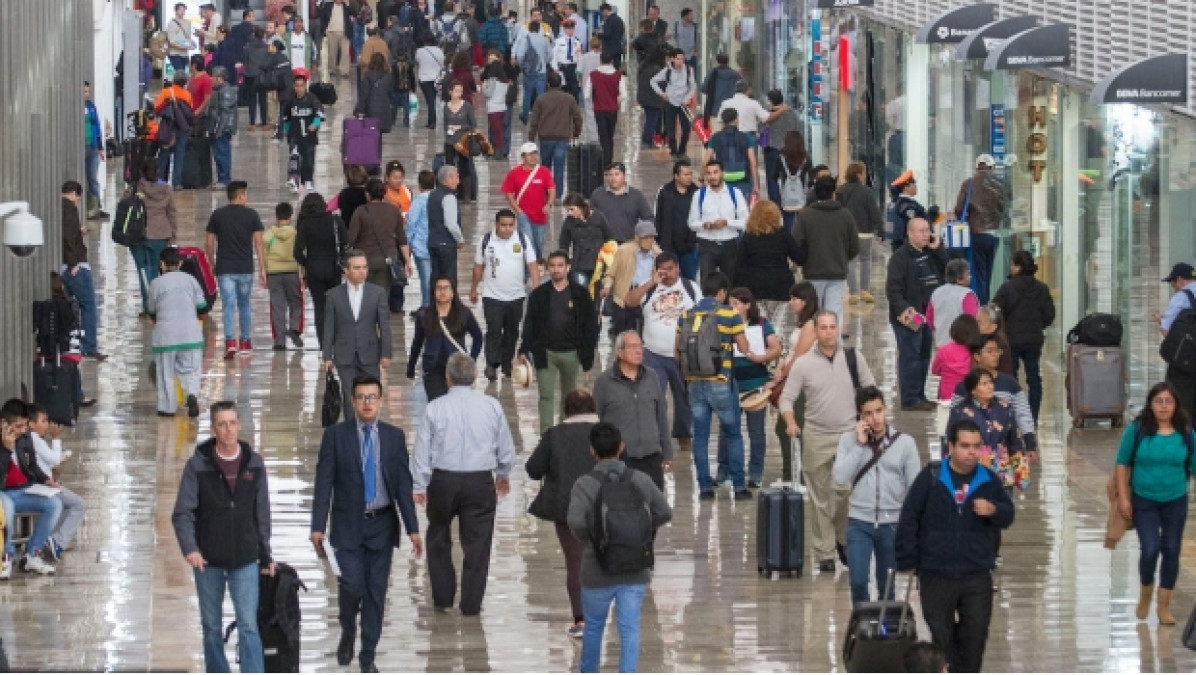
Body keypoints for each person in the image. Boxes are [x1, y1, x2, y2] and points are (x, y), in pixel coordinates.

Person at [310, 374, 422, 672]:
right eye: (361, 397)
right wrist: (317, 526)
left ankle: (368, 655)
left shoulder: (394, 437)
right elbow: (324, 483)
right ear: (353, 401)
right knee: (351, 585)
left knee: (375, 592)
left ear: (381, 400)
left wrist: (412, 529)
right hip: (347, 525)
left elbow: (403, 485)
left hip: (381, 525)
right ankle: (348, 629)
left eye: (372, 397)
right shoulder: (336, 436)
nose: (367, 403)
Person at [895, 419, 1014, 674]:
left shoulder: (988, 480)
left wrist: (993, 509)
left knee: (974, 639)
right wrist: (907, 560)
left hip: (976, 574)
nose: (971, 452)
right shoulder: (931, 478)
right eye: (965, 446)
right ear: (950, 446)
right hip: (936, 574)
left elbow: (1008, 514)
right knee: (942, 640)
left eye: (976, 446)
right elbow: (910, 517)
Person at [171, 401, 274, 674]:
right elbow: (182, 512)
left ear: (239, 425)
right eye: (222, 424)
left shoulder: (254, 463)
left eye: (232, 423)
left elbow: (262, 513)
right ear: (213, 429)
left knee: (249, 625)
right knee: (211, 627)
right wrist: (190, 548)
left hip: (245, 557)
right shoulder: (197, 465)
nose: (228, 430)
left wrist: (266, 554)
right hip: (208, 559)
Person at [413, 353, 516, 616]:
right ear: (474, 377)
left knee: (438, 536)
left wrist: (420, 485)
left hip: (443, 480)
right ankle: (471, 604)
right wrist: (503, 473)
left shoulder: (435, 408)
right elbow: (505, 446)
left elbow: (422, 450)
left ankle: (443, 597)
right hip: (479, 481)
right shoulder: (491, 406)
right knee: (478, 543)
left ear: (447, 377)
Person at [568, 421, 673, 673]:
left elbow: (576, 522)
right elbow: (664, 512)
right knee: (629, 628)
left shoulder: (584, 484)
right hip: (635, 568)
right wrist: (639, 531)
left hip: (597, 568)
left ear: (592, 450)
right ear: (622, 447)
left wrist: (594, 538)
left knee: (594, 627)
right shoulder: (641, 479)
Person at [779, 310, 877, 571]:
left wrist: (872, 421)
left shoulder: (854, 358)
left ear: (838, 328)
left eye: (832, 327)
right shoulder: (803, 364)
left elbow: (871, 391)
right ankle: (824, 553)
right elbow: (787, 397)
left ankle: (842, 538)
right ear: (815, 331)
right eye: (823, 327)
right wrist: (790, 421)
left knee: (846, 491)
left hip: (849, 435)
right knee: (819, 496)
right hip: (815, 436)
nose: (828, 332)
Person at [1113, 382, 1196, 626]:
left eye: (1169, 401)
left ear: (1176, 405)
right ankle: (1146, 591)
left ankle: (1164, 605)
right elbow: (1122, 463)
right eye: (1159, 401)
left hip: (1175, 500)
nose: (1164, 406)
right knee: (1150, 548)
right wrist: (1123, 497)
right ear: (1150, 404)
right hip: (1144, 499)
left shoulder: (1186, 433)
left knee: (1171, 549)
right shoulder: (1138, 430)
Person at [831, 387, 921, 604]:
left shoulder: (905, 443)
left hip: (892, 523)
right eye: (868, 414)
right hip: (859, 521)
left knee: (886, 584)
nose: (875, 418)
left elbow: (915, 486)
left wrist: (913, 526)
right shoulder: (848, 441)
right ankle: (862, 619)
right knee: (858, 581)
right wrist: (859, 445)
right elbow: (840, 477)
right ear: (860, 417)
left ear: (885, 409)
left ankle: (885, 622)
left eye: (879, 411)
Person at [683, 272, 755, 499]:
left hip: (695, 383)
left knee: (700, 437)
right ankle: (739, 487)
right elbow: (743, 348)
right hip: (721, 382)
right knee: (733, 435)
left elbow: (678, 351)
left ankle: (705, 488)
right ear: (722, 292)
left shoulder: (686, 314)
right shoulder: (729, 313)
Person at [624, 252, 699, 453]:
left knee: (684, 397)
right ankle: (657, 436)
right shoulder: (649, 287)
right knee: (654, 397)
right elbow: (629, 301)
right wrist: (652, 282)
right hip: (653, 354)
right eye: (662, 269)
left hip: (683, 354)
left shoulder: (691, 288)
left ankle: (683, 434)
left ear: (678, 268)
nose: (666, 273)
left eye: (670, 269)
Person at [520, 251, 599, 431]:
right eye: (553, 266)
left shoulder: (581, 294)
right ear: (548, 268)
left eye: (560, 265)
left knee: (569, 397)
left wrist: (587, 355)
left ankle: (565, 432)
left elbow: (590, 326)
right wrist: (523, 349)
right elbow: (529, 323)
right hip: (545, 353)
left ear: (568, 267)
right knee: (545, 396)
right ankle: (546, 435)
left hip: (572, 353)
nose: (556, 269)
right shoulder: (538, 295)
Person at [592, 331, 674, 490]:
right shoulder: (604, 382)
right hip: (620, 460)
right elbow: (596, 421)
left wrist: (667, 452)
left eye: (640, 346)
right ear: (620, 352)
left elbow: (661, 416)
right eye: (632, 347)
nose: (639, 351)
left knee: (654, 503)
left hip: (651, 458)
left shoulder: (652, 377)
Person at [321, 250, 393, 422]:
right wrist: (327, 355)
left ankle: (370, 428)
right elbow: (329, 326)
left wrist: (386, 353)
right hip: (344, 354)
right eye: (357, 268)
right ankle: (352, 431)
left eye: (364, 267)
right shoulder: (333, 295)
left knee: (371, 395)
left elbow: (384, 325)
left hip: (370, 353)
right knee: (349, 396)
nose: (362, 271)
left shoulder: (377, 293)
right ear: (346, 270)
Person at [721, 288, 782, 487]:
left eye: (737, 303)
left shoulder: (762, 324)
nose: (732, 307)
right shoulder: (724, 323)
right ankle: (724, 471)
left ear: (747, 305)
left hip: (755, 385)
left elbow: (776, 348)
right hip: (730, 384)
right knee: (727, 429)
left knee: (756, 431)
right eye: (730, 303)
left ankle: (756, 473)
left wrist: (761, 357)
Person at [471, 209, 541, 381]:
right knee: (494, 330)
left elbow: (532, 264)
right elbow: (478, 267)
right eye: (503, 225)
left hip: (516, 296)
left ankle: (506, 363)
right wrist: (474, 288)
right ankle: (491, 364)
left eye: (511, 225)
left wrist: (536, 286)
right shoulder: (486, 241)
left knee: (512, 332)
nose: (507, 229)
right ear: (496, 224)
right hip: (492, 296)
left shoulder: (522, 239)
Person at [886, 217, 948, 411]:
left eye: (927, 230)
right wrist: (903, 309)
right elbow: (893, 289)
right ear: (910, 233)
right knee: (910, 356)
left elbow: (949, 269)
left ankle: (920, 395)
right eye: (921, 231)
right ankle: (910, 398)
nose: (926, 235)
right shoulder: (900, 257)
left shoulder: (931, 253)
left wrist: (938, 249)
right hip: (909, 316)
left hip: (928, 315)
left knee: (923, 356)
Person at [949, 334, 1038, 461]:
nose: (995, 355)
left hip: (1000, 462)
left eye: (997, 351)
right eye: (990, 351)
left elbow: (1022, 415)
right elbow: (952, 426)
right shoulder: (963, 389)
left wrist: (1030, 444)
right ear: (977, 356)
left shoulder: (1010, 386)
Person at [0, 402, 63, 577]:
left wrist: (46, 480)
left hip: (22, 489)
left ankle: (32, 555)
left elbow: (32, 464)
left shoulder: (25, 437)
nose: (22, 430)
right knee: (6, 509)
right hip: (2, 492)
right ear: (3, 423)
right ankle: (6, 556)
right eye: (17, 426)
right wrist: (6, 450)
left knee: (54, 504)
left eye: (25, 425)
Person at [992, 250, 1056, 423]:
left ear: (1018, 267)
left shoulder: (1007, 288)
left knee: (1010, 378)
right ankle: (1032, 418)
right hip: (1034, 340)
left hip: (1011, 340)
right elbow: (1049, 315)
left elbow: (996, 312)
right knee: (1034, 378)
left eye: (1013, 264)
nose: (1011, 267)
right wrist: (1037, 326)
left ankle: (1012, 417)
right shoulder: (1042, 288)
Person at [205, 182, 267, 360]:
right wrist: (263, 268)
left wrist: (211, 263)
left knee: (228, 305)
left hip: (225, 268)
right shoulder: (252, 215)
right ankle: (245, 342)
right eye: (245, 195)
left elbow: (209, 243)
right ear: (240, 196)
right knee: (245, 304)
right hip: (245, 268)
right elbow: (259, 243)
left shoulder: (217, 215)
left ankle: (230, 342)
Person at [148, 247, 208, 418]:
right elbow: (202, 307)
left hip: (166, 336)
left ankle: (167, 408)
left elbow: (151, 310)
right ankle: (191, 394)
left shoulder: (156, 283)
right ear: (180, 263)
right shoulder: (191, 280)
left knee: (165, 373)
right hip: (190, 334)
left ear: (161, 264)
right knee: (191, 370)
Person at [24, 404, 87, 561]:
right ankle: (57, 541)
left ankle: (54, 539)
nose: (47, 425)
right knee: (78, 504)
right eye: (43, 421)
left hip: (45, 483)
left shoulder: (33, 439)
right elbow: (53, 460)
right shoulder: (34, 439)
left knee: (67, 504)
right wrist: (56, 438)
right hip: (42, 486)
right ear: (31, 424)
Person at [771, 282, 819, 480]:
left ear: (806, 301)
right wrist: (781, 366)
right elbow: (791, 352)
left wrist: (781, 375)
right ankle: (792, 473)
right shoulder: (802, 323)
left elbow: (799, 355)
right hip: (793, 379)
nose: (791, 302)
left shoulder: (811, 325)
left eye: (795, 299)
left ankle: (796, 474)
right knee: (785, 427)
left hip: (802, 383)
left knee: (789, 427)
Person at [407, 277, 483, 401]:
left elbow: (478, 337)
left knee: (457, 404)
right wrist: (411, 367)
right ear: (433, 292)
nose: (442, 291)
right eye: (439, 288)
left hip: (458, 369)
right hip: (433, 369)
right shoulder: (424, 315)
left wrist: (471, 360)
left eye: (446, 288)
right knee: (437, 403)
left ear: (452, 292)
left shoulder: (463, 313)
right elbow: (417, 343)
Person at [294, 193, 349, 350]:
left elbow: (297, 252)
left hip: (314, 269)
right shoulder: (335, 220)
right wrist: (342, 262)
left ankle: (324, 345)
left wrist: (307, 263)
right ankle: (336, 341)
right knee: (334, 305)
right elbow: (346, 243)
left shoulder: (305, 224)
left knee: (320, 308)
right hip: (333, 267)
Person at [954, 154, 1010, 304]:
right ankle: (986, 303)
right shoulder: (1000, 184)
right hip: (995, 234)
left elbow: (959, 209)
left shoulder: (969, 183)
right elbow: (1007, 206)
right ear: (992, 168)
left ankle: (980, 304)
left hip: (976, 233)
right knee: (988, 271)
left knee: (978, 274)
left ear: (977, 167)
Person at [60, 181, 106, 360]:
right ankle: (89, 346)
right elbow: (68, 237)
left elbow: (67, 235)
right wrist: (74, 264)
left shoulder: (57, 208)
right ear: (74, 194)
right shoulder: (70, 208)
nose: (77, 202)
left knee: (68, 307)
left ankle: (69, 345)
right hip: (76, 266)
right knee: (89, 307)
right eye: (78, 198)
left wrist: (79, 233)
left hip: (64, 266)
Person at [733, 200, 804, 316]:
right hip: (781, 285)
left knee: (760, 323)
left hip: (755, 287)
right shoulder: (783, 234)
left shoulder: (748, 236)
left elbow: (739, 266)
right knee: (780, 323)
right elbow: (799, 257)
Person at [349, 177, 412, 299]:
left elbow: (350, 239)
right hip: (387, 258)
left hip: (365, 259)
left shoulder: (360, 211)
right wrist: (407, 260)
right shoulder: (394, 210)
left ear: (367, 194)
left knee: (363, 297)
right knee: (381, 297)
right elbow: (402, 239)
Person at [131, 158, 179, 316]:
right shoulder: (166, 190)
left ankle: (148, 305)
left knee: (142, 271)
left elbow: (123, 207)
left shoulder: (135, 188)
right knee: (155, 270)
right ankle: (158, 304)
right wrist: (173, 236)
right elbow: (172, 213)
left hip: (137, 235)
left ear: (142, 172)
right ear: (158, 171)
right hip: (160, 234)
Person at [687, 160, 748, 282]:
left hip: (729, 244)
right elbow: (691, 222)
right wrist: (704, 225)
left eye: (715, 172)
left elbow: (746, 221)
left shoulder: (735, 193)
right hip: (706, 244)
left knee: (730, 281)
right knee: (706, 281)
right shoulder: (699, 195)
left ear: (722, 173)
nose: (712, 176)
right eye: (709, 173)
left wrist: (727, 222)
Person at [600, 221, 661, 335]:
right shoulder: (624, 250)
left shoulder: (658, 254)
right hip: (624, 296)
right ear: (636, 238)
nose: (649, 241)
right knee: (623, 334)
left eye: (652, 237)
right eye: (646, 237)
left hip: (648, 297)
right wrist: (607, 287)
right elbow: (611, 273)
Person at [528, 71, 583, 193]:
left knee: (545, 167)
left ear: (548, 84)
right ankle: (557, 194)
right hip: (562, 137)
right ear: (561, 84)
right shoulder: (569, 99)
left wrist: (531, 137)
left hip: (545, 137)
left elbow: (534, 120)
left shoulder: (541, 99)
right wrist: (576, 133)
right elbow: (578, 118)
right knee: (559, 167)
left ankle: (545, 192)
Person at [837, 162, 883, 304]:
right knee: (865, 259)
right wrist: (880, 230)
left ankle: (853, 292)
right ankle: (864, 290)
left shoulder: (840, 191)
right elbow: (874, 212)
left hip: (846, 232)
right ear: (858, 175)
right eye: (863, 173)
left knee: (849, 261)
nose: (865, 176)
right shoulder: (867, 192)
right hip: (865, 231)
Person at [501, 144, 557, 260]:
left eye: (535, 153)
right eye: (530, 154)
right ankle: (529, 267)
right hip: (524, 215)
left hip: (541, 216)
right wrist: (517, 209)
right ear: (523, 157)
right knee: (528, 243)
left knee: (539, 244)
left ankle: (537, 263)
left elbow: (551, 190)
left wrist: (549, 204)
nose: (533, 157)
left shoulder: (544, 172)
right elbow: (508, 192)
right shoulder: (514, 173)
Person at [264, 202, 304, 351]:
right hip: (292, 272)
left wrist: (264, 273)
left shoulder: (268, 235)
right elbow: (302, 254)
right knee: (296, 302)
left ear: (276, 217)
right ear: (290, 217)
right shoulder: (296, 234)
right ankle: (295, 328)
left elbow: (263, 256)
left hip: (273, 274)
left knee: (277, 306)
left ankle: (279, 341)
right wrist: (304, 274)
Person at [281, 72, 326, 192]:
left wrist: (315, 124)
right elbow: (286, 117)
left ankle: (308, 181)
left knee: (308, 161)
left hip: (309, 138)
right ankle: (293, 180)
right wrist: (286, 130)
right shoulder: (290, 100)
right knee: (294, 158)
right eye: (297, 85)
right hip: (294, 136)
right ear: (294, 86)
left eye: (301, 85)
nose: (299, 88)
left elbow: (319, 112)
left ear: (305, 86)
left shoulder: (312, 99)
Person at [589, 162, 654, 243]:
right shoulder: (597, 194)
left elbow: (649, 218)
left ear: (624, 176)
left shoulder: (636, 195)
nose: (613, 178)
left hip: (628, 244)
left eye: (617, 174)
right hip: (604, 245)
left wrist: (642, 234)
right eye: (610, 175)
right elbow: (588, 218)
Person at [559, 194, 614, 288]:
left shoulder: (598, 216)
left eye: (572, 209)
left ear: (580, 206)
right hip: (579, 263)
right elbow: (563, 243)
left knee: (598, 291)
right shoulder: (569, 221)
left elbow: (609, 238)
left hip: (599, 263)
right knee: (581, 291)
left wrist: (608, 257)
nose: (569, 213)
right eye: (567, 210)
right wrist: (565, 261)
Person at [651, 49, 696, 160]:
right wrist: (661, 93)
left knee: (686, 128)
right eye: (678, 59)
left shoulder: (688, 70)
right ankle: (674, 152)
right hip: (671, 102)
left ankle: (682, 151)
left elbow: (693, 86)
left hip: (684, 104)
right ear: (672, 59)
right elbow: (653, 81)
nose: (680, 61)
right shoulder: (667, 71)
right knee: (670, 129)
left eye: (682, 59)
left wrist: (687, 98)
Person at [154, 72, 196, 189]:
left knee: (164, 154)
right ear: (185, 82)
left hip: (168, 128)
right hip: (182, 128)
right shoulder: (187, 94)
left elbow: (157, 108)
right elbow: (190, 111)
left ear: (174, 80)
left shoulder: (166, 92)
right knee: (179, 155)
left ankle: (160, 181)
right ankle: (177, 183)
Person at [426, 166, 466, 288]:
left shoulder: (432, 195)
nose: (458, 181)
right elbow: (451, 224)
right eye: (456, 177)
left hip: (433, 242)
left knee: (436, 279)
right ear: (447, 179)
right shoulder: (449, 197)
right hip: (446, 245)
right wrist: (460, 239)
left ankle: (434, 299)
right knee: (449, 280)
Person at [702, 108, 757, 197]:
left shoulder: (715, 137)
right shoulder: (746, 137)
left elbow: (705, 162)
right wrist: (755, 185)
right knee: (741, 204)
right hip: (742, 179)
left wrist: (703, 178)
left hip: (722, 178)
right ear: (736, 120)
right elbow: (753, 163)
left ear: (723, 121)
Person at [928, 259, 980, 348]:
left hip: (941, 344)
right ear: (959, 279)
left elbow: (930, 320)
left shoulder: (936, 292)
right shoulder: (967, 295)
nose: (970, 277)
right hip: (962, 345)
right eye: (968, 274)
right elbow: (973, 320)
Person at [586, 52, 626, 165]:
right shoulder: (618, 75)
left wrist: (594, 100)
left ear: (600, 60)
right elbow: (623, 95)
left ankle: (605, 161)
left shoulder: (593, 75)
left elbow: (587, 94)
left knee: (603, 135)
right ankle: (609, 159)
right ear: (611, 61)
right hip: (612, 109)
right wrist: (616, 101)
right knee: (610, 135)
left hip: (599, 109)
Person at [761, 90, 800, 205]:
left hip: (772, 149)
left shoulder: (768, 115)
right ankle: (788, 200)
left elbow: (760, 129)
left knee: (772, 178)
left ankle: (775, 204)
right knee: (788, 176)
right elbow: (798, 130)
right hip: (789, 149)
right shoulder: (792, 114)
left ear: (771, 101)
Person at [931, 315, 980, 405]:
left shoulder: (943, 350)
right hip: (968, 396)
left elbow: (935, 371)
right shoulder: (974, 352)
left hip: (946, 396)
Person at [442, 81, 478, 203]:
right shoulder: (446, 107)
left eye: (460, 91)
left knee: (465, 167)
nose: (459, 94)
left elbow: (473, 125)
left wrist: (460, 127)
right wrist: (449, 130)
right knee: (449, 167)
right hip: (450, 141)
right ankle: (451, 193)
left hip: (463, 141)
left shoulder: (467, 106)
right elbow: (445, 124)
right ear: (450, 92)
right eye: (456, 91)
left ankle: (467, 195)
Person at [406, 170, 437, 310]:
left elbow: (411, 222)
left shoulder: (418, 201)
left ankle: (426, 306)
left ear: (420, 185)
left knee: (425, 278)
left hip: (421, 245)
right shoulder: (438, 199)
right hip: (436, 244)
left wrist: (408, 242)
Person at [512, 20, 553, 123]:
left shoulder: (525, 39)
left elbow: (520, 55)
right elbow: (550, 55)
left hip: (529, 72)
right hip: (541, 71)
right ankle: (542, 115)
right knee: (541, 94)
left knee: (527, 94)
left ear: (529, 28)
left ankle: (525, 115)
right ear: (539, 29)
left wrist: (523, 65)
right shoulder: (544, 40)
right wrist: (544, 62)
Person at [888, 170, 937, 251]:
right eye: (913, 184)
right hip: (909, 247)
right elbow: (915, 225)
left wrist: (929, 216)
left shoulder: (897, 203)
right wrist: (929, 217)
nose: (916, 186)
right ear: (906, 187)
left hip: (901, 246)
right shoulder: (907, 206)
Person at [206, 67, 239, 189]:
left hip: (222, 129)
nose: (211, 79)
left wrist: (219, 129)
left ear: (220, 78)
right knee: (218, 154)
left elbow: (225, 113)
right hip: (216, 127)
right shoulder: (217, 90)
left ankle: (224, 179)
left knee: (222, 154)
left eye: (213, 76)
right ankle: (221, 178)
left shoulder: (226, 91)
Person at [82, 82, 107, 220]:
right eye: (84, 91)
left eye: (88, 91)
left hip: (92, 146)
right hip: (81, 146)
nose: (86, 94)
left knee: (93, 178)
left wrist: (100, 147)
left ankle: (96, 207)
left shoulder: (91, 107)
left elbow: (97, 126)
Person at [356, 52, 395, 133]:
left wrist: (360, 109)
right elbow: (391, 93)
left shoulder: (368, 75)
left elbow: (364, 94)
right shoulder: (389, 76)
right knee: (380, 132)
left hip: (371, 110)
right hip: (385, 110)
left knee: (372, 133)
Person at [242, 28, 271, 129]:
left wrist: (246, 73)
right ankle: (264, 123)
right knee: (263, 100)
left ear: (254, 35)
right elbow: (268, 63)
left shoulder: (247, 47)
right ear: (263, 36)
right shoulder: (267, 48)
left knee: (252, 100)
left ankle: (252, 123)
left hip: (251, 76)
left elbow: (245, 62)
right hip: (262, 77)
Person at [415, 35, 446, 129]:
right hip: (437, 79)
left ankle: (432, 121)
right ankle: (433, 120)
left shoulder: (419, 51)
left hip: (424, 79)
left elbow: (417, 62)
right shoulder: (439, 50)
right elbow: (443, 63)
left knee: (430, 101)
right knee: (434, 100)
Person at [700, 53, 739, 126]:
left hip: (716, 110)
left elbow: (704, 89)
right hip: (732, 111)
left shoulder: (713, 73)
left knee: (717, 132)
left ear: (717, 62)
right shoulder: (735, 74)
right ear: (728, 62)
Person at [481, 59, 511, 155]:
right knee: (500, 130)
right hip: (502, 108)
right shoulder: (505, 81)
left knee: (496, 131)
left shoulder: (492, 81)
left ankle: (498, 150)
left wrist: (483, 88)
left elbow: (488, 94)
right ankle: (500, 149)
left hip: (493, 109)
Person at [975, 304, 1014, 375]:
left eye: (979, 322)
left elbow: (1005, 371)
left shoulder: (999, 344)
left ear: (993, 327)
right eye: (976, 321)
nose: (975, 325)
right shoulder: (981, 339)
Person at [553, 20, 584, 100]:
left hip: (573, 68)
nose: (570, 30)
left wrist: (579, 71)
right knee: (563, 90)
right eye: (568, 28)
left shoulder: (577, 42)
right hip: (563, 67)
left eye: (571, 28)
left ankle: (574, 107)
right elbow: (554, 55)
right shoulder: (558, 41)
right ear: (564, 29)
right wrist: (555, 68)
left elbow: (580, 57)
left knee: (574, 90)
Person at [166, 3, 197, 73]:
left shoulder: (188, 23)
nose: (182, 12)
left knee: (188, 72)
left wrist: (191, 45)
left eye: (184, 10)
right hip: (174, 53)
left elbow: (188, 37)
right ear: (175, 11)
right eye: (180, 10)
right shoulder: (172, 23)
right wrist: (185, 47)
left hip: (185, 53)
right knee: (180, 72)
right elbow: (171, 41)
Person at [596, 3, 626, 69]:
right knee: (616, 69)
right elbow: (622, 32)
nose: (602, 14)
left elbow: (607, 35)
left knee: (608, 70)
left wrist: (598, 34)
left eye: (602, 12)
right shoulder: (619, 19)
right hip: (618, 49)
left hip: (609, 50)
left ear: (605, 10)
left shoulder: (608, 20)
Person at [673, 8, 699, 75]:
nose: (693, 17)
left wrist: (697, 49)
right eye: (691, 15)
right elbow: (674, 38)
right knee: (680, 75)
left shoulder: (695, 26)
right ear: (685, 16)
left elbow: (698, 39)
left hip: (692, 56)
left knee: (692, 75)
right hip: (680, 56)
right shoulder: (676, 25)